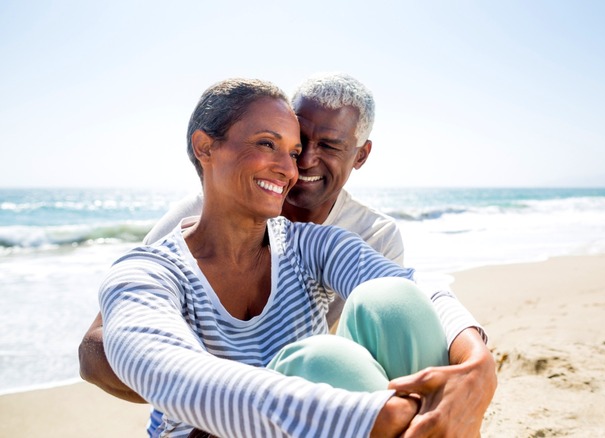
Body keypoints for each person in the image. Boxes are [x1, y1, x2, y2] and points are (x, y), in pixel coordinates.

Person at [94, 78, 496, 437]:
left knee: (390, 301)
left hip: (322, 417)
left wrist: (476, 361)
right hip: (213, 430)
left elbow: (414, 290)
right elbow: (162, 368)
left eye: (293, 149)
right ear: (205, 147)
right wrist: (364, 416)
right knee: (323, 363)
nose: (293, 166)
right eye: (268, 144)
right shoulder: (146, 270)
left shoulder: (313, 244)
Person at [80, 73, 403, 408]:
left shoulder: (369, 237)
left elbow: (390, 339)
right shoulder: (197, 216)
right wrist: (209, 401)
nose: (302, 162)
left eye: (330, 146)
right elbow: (100, 342)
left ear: (361, 155)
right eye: (296, 143)